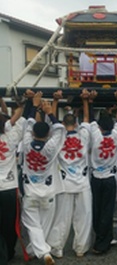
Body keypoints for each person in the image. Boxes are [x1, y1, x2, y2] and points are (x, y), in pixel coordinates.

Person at [47, 89, 93, 258]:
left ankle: (57, 248)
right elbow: (87, 120)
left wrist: (55, 100)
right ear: (76, 122)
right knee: (84, 217)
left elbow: (52, 123)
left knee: (61, 217)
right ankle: (80, 248)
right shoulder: (83, 135)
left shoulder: (57, 136)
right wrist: (85, 101)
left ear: (63, 123)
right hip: (82, 182)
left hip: (64, 183)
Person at [21, 92, 65, 265]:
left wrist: (34, 105)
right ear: (48, 135)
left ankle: (40, 252)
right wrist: (50, 112)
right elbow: (59, 130)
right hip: (48, 192)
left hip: (31, 191)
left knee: (32, 224)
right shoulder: (51, 147)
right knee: (44, 225)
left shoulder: (26, 144)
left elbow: (27, 124)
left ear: (32, 133)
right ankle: (42, 252)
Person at [89, 90, 117, 254]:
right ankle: (102, 242)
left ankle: (103, 238)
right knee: (107, 210)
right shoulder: (116, 135)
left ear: (99, 126)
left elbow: (90, 121)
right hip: (110, 178)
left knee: (97, 209)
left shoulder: (96, 136)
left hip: (96, 178)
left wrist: (89, 101)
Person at [0, 97, 25, 264]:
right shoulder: (11, 137)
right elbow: (16, 117)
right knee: (9, 223)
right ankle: (8, 252)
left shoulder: (9, 132)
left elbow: (8, 118)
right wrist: (21, 105)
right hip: (8, 187)